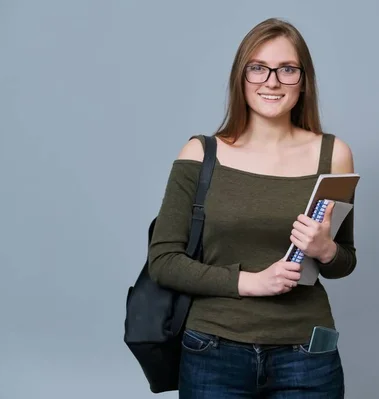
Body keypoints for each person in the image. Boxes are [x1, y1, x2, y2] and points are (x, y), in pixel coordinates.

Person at [148, 17, 357, 398]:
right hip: (213, 350)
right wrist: (252, 282)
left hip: (307, 354)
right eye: (258, 68)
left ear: (304, 79)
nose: (272, 81)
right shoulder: (200, 154)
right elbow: (164, 261)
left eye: (287, 69)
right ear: (240, 78)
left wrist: (325, 249)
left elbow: (345, 262)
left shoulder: (334, 155)